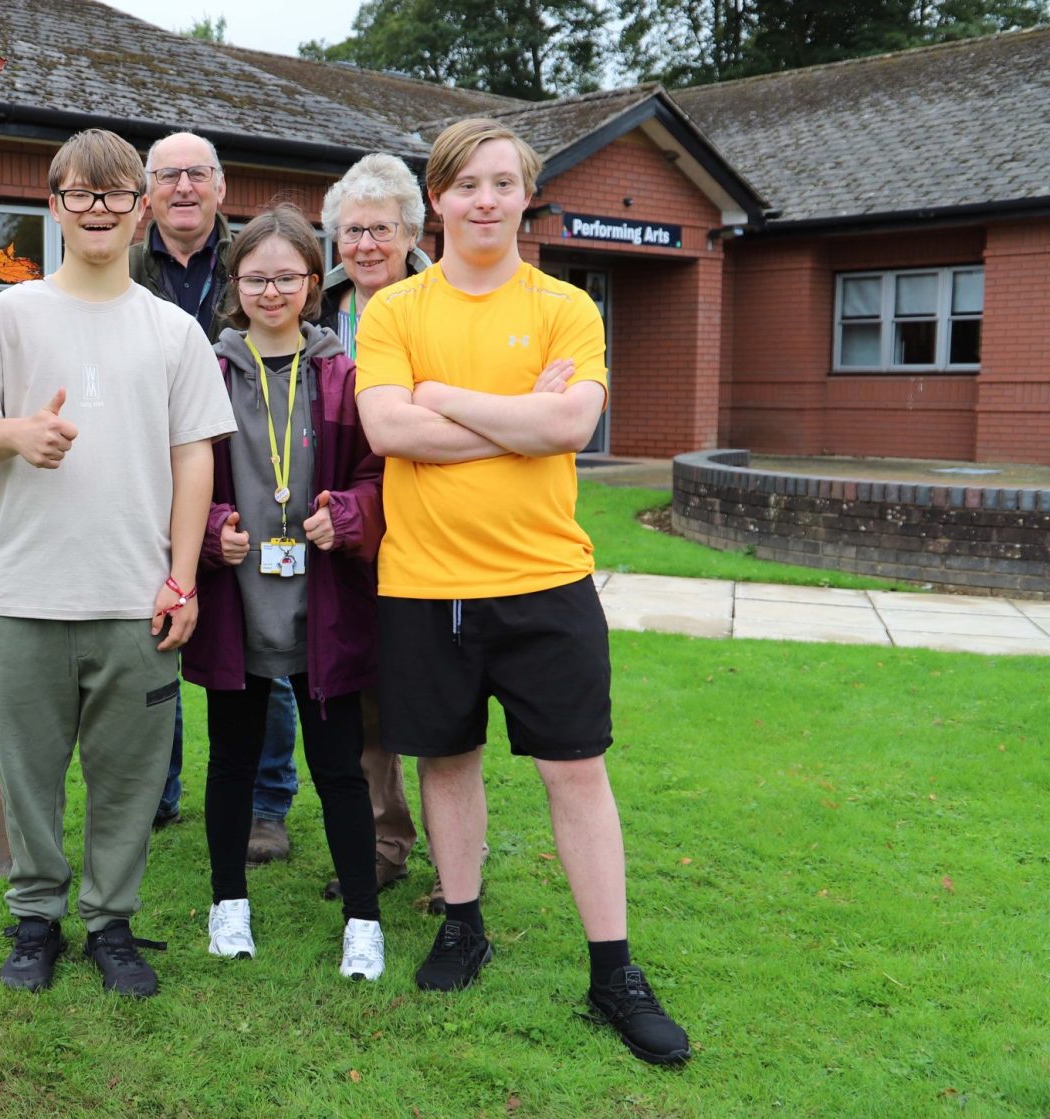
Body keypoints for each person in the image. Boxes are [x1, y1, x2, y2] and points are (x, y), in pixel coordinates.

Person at [354, 119, 692, 1063]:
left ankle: (612, 969)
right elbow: (388, 432)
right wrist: (519, 420)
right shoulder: (392, 312)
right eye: (467, 185)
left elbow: (573, 424)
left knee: (574, 770)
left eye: (504, 183)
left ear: (525, 195)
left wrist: (443, 399)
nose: (486, 200)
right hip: (425, 583)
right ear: (438, 197)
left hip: (547, 579)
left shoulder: (566, 307)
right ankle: (462, 920)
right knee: (447, 758)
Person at [0, 128, 234, 999]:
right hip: (27, 591)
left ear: (141, 209)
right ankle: (36, 916)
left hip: (133, 595)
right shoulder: (6, 315)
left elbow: (195, 458)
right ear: (54, 204)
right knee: (28, 772)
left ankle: (111, 922)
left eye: (114, 195)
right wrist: (18, 434)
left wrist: (182, 575)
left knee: (129, 779)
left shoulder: (175, 331)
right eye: (80, 194)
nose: (98, 210)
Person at [182, 204, 387, 978]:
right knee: (231, 763)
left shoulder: (342, 373)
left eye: (288, 277)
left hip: (320, 609)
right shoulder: (205, 370)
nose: (272, 292)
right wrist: (211, 530)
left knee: (340, 768)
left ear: (312, 280)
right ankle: (227, 904)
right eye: (255, 277)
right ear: (235, 283)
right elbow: (177, 474)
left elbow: (377, 476)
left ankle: (363, 920)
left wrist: (349, 514)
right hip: (238, 603)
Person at [131, 130, 302, 865]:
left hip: (250, 472)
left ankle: (267, 804)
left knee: (266, 642)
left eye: (197, 173)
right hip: (145, 473)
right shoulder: (124, 265)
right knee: (154, 636)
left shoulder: (252, 258)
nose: (183, 187)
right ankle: (156, 792)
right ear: (148, 192)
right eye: (167, 175)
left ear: (221, 187)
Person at [313, 152, 434, 906]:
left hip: (429, 514)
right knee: (362, 697)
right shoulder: (318, 307)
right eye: (351, 230)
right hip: (344, 522)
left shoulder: (443, 299)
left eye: (379, 229)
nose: (364, 245)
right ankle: (385, 843)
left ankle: (461, 862)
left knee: (436, 692)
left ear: (411, 232)